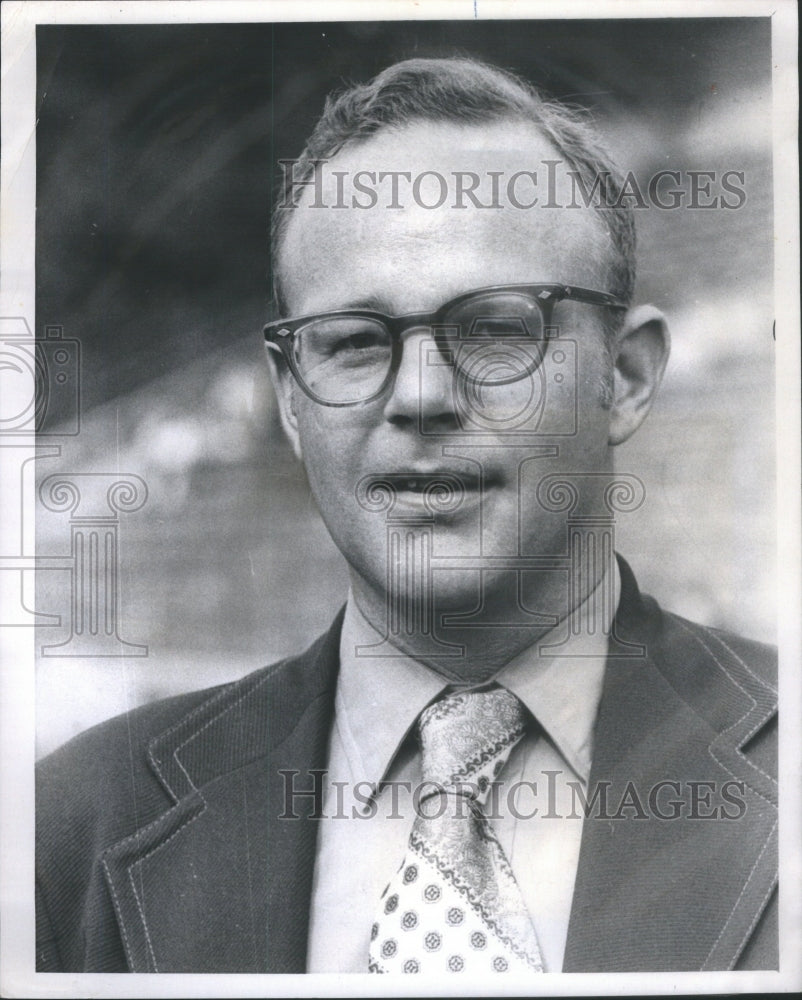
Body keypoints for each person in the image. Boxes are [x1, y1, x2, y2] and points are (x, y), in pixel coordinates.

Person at [36, 56, 777, 975]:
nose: (421, 395)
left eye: (497, 328)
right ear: (290, 404)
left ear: (624, 377)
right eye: (352, 342)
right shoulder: (71, 825)